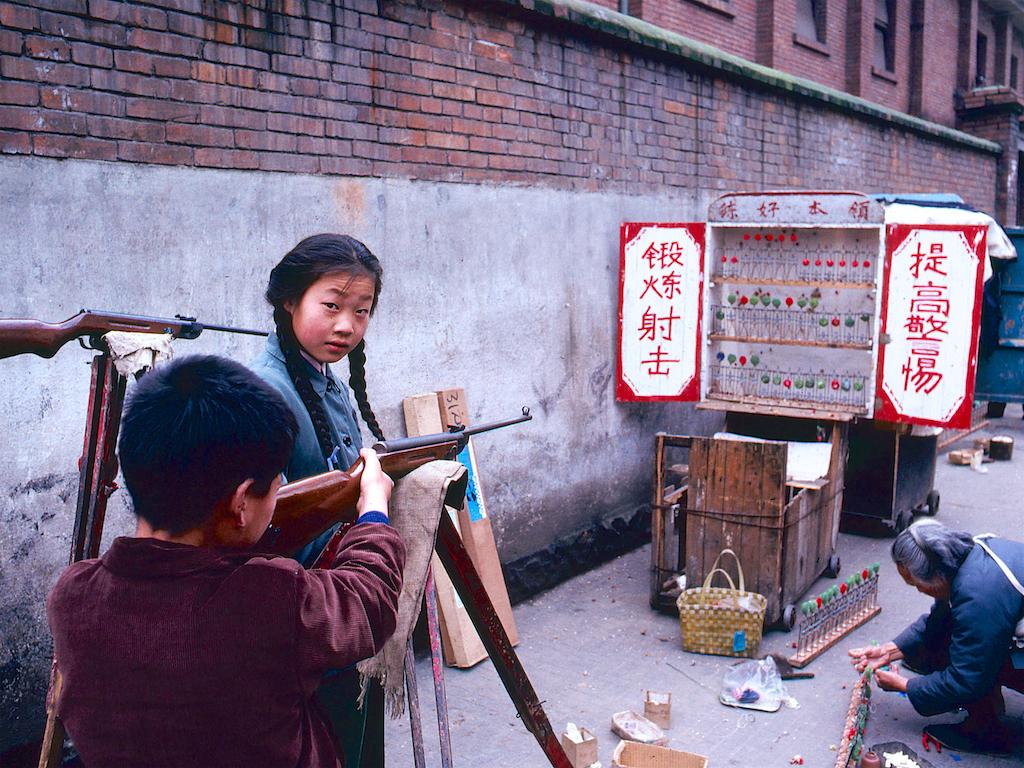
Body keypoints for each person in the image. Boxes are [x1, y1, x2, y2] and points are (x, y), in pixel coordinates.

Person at [47, 355, 405, 768]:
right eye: (276, 486)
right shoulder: (269, 598)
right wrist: (374, 510)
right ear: (240, 504)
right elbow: (366, 599)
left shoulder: (72, 595)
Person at [251, 233, 388, 766]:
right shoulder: (266, 390)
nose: (346, 325)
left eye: (362, 311)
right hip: (305, 620)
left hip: (337, 601)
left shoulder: (322, 379)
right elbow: (265, 524)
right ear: (290, 300)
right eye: (331, 306)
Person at [849, 520, 1024, 754]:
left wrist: (907, 686)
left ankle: (984, 732)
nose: (919, 590)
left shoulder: (979, 598)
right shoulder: (972, 554)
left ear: (937, 576)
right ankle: (989, 706)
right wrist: (890, 650)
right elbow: (942, 619)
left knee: (962, 657)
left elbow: (966, 678)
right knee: (943, 641)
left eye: (917, 585)